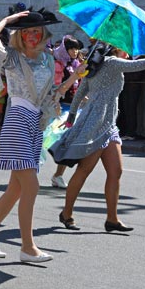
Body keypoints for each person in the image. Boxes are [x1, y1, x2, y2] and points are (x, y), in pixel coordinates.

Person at [0, 7, 86, 262]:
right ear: (20, 35)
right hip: (16, 119)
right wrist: (7, 19)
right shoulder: (12, 56)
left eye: (36, 31)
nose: (32, 36)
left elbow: (52, 93)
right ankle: (27, 247)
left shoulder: (47, 59)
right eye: (27, 32)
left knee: (16, 189)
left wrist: (74, 78)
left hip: (36, 121)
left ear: (43, 33)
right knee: (31, 186)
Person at [49, 43, 145, 232]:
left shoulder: (94, 65)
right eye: (125, 49)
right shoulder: (112, 63)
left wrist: (71, 118)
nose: (128, 54)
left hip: (109, 125)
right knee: (84, 171)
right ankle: (67, 213)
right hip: (95, 125)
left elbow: (80, 93)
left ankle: (112, 219)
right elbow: (138, 66)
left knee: (116, 172)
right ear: (115, 49)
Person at [50, 34, 82, 189]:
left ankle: (58, 175)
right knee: (47, 140)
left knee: (67, 143)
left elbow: (77, 85)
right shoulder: (57, 63)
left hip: (72, 106)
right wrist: (56, 102)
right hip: (58, 107)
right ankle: (26, 174)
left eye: (77, 49)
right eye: (72, 48)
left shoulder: (75, 64)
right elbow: (57, 87)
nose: (75, 52)